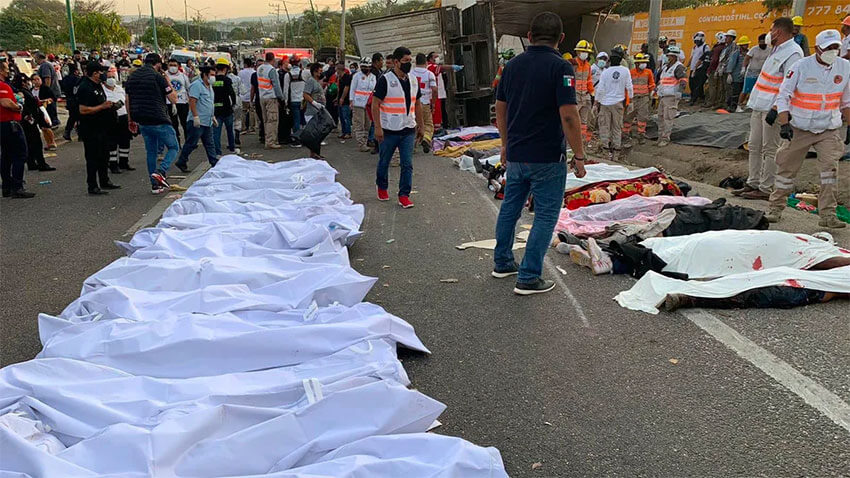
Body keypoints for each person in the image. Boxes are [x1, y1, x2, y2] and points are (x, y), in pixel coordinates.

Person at [492, 12, 587, 296]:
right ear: (560, 39)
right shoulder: (561, 68)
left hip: (518, 154)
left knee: (510, 208)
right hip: (547, 156)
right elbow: (569, 116)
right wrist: (579, 156)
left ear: (530, 37)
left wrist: (505, 144)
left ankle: (502, 262)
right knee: (545, 216)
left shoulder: (512, 66)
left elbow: (500, 108)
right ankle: (529, 276)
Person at [765, 29, 849, 229]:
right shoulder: (801, 66)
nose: (832, 51)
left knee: (830, 169)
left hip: (828, 128)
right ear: (817, 48)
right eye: (828, 48)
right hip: (800, 128)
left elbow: (846, 101)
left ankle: (828, 214)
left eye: (836, 47)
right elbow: (784, 95)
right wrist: (784, 123)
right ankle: (775, 208)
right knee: (787, 169)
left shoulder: (845, 68)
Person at [734, 17, 803, 200]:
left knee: (769, 148)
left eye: (771, 30)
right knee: (755, 145)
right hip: (759, 105)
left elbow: (790, 85)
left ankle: (765, 188)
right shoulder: (776, 50)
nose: (769, 33)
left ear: (778, 32)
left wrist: (776, 109)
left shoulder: (793, 54)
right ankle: (753, 182)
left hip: (772, 108)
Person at [372, 46, 424, 209]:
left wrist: (421, 126)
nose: (409, 64)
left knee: (407, 164)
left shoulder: (413, 80)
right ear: (396, 62)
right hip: (389, 130)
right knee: (384, 161)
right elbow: (375, 104)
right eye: (405, 61)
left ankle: (404, 195)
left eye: (410, 61)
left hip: (408, 129)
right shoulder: (385, 80)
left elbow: (418, 103)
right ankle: (382, 186)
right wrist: (378, 127)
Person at [125, 52, 180, 193]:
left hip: (142, 119)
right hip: (159, 118)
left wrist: (130, 119)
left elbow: (128, 99)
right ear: (158, 64)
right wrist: (167, 80)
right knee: (174, 147)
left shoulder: (133, 77)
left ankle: (155, 185)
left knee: (151, 152)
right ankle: (161, 172)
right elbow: (174, 98)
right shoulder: (158, 77)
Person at [76, 61, 120, 195]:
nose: (103, 74)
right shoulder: (85, 87)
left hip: (102, 127)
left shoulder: (98, 85)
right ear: (95, 73)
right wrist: (101, 107)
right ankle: (92, 185)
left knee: (104, 156)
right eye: (101, 72)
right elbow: (82, 109)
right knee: (93, 158)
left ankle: (104, 180)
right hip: (90, 129)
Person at [0, 60, 35, 198]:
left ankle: (8, 186)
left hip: (5, 124)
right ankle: (17, 186)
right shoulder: (2, 86)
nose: (9, 71)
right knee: (20, 154)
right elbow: (5, 102)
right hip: (9, 123)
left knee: (7, 155)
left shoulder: (6, 86)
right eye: (6, 69)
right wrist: (18, 106)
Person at [176, 65, 217, 170]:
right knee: (191, 143)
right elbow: (192, 102)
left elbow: (209, 103)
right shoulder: (197, 85)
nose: (213, 77)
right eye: (211, 75)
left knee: (210, 143)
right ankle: (182, 161)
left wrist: (212, 117)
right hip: (198, 121)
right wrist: (195, 117)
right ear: (205, 75)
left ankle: (214, 163)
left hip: (207, 121)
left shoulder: (209, 86)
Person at [595, 50, 633, 160]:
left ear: (610, 61)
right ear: (621, 60)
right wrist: (630, 101)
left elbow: (600, 89)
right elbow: (629, 87)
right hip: (618, 104)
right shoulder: (625, 71)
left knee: (604, 127)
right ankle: (616, 154)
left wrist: (595, 103)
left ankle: (606, 152)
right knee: (617, 127)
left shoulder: (605, 72)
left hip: (605, 103)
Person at [14, 73, 55, 172]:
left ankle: (32, 162)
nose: (29, 83)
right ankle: (41, 163)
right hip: (28, 121)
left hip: (31, 119)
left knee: (31, 143)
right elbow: (21, 102)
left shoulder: (27, 91)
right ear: (23, 82)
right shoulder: (21, 92)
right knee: (36, 142)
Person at [103, 66, 133, 173]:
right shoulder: (102, 90)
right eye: (109, 77)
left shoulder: (120, 89)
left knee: (125, 141)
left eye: (112, 77)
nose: (111, 79)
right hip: (111, 119)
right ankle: (113, 164)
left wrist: (130, 117)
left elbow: (126, 101)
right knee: (112, 142)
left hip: (123, 117)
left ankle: (124, 162)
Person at [656, 46, 688, 147]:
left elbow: (683, 80)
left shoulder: (678, 67)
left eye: (669, 56)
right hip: (663, 96)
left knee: (668, 118)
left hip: (671, 96)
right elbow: (661, 81)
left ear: (674, 56)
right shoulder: (665, 67)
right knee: (661, 117)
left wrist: (679, 92)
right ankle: (660, 137)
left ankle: (665, 138)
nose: (667, 57)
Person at [624, 53, 655, 146]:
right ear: (637, 63)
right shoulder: (630, 72)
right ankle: (625, 134)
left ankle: (641, 135)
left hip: (644, 98)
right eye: (641, 62)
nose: (643, 64)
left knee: (642, 117)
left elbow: (651, 84)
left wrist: (652, 92)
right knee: (628, 117)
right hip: (632, 98)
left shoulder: (648, 72)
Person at [256, 52, 284, 149]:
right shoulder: (272, 70)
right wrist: (281, 97)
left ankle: (267, 139)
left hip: (262, 96)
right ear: (273, 59)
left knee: (266, 120)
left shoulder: (259, 68)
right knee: (272, 120)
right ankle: (271, 142)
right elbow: (276, 85)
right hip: (271, 97)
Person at [411, 53, 438, 152]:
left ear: (415, 62)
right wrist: (433, 102)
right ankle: (426, 139)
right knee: (428, 123)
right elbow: (434, 89)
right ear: (426, 62)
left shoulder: (411, 73)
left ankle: (412, 145)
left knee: (413, 124)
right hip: (425, 101)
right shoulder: (429, 74)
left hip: (413, 103)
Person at [302, 63, 327, 160]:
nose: (321, 72)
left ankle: (316, 153)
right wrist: (314, 103)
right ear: (315, 71)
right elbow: (305, 94)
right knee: (314, 134)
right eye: (320, 70)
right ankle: (313, 153)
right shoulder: (311, 81)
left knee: (318, 134)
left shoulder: (317, 82)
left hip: (318, 111)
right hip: (312, 111)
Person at [350, 59, 376, 152]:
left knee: (367, 125)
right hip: (358, 103)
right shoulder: (357, 76)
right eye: (363, 67)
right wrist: (351, 100)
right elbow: (352, 89)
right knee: (359, 124)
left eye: (367, 67)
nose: (366, 69)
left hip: (369, 104)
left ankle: (365, 141)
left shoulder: (373, 77)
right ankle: (361, 144)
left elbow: (374, 90)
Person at [212, 59, 237, 157]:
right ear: (225, 69)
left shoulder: (212, 80)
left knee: (216, 133)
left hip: (216, 110)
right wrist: (233, 104)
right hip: (226, 109)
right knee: (230, 130)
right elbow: (232, 94)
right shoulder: (227, 80)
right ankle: (232, 148)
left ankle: (218, 152)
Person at [738, 34, 769, 110]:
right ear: (758, 42)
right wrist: (743, 68)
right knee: (746, 89)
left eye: (764, 42)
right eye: (761, 42)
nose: (762, 44)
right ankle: (739, 105)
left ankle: (751, 104)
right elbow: (746, 58)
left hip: (762, 73)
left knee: (758, 90)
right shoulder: (754, 49)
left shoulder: (770, 50)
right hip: (751, 72)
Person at [573, 40, 595, 145]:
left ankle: (581, 141)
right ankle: (571, 140)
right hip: (575, 96)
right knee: (573, 119)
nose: (585, 54)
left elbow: (589, 80)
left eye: (586, 52)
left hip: (585, 96)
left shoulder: (588, 66)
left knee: (584, 121)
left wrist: (592, 93)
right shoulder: (572, 64)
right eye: (582, 51)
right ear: (577, 52)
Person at [166, 59, 190, 143]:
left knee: (185, 123)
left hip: (182, 103)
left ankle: (188, 141)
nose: (173, 67)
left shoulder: (183, 76)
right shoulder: (164, 75)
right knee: (173, 124)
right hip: (169, 103)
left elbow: (188, 89)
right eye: (170, 65)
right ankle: (176, 142)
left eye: (174, 65)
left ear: (178, 66)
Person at [30, 75, 57, 151]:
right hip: (36, 110)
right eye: (34, 80)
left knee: (47, 126)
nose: (36, 81)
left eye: (38, 79)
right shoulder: (31, 90)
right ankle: (48, 143)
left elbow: (53, 98)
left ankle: (52, 142)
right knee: (42, 128)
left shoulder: (45, 89)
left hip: (45, 109)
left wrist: (45, 101)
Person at [283, 56, 307, 136]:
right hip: (303, 100)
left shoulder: (287, 75)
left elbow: (285, 90)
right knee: (303, 120)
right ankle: (305, 137)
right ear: (299, 63)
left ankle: (297, 137)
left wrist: (285, 102)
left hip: (293, 100)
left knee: (296, 120)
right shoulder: (303, 73)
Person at [35, 53, 60, 127]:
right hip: (52, 89)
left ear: (39, 58)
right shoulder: (47, 64)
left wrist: (46, 91)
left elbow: (47, 78)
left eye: (35, 58)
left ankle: (53, 122)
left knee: (50, 108)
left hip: (51, 90)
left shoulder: (45, 65)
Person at [725, 35, 749, 111]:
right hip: (735, 76)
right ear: (741, 45)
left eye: (747, 44)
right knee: (735, 92)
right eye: (744, 44)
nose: (746, 46)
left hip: (744, 76)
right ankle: (732, 106)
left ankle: (739, 105)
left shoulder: (748, 53)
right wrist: (729, 73)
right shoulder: (736, 53)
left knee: (743, 91)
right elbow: (731, 63)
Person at [61, 64, 81, 141]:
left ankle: (67, 132)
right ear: (75, 71)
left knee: (72, 117)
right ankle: (80, 134)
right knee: (79, 117)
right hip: (77, 100)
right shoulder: (77, 79)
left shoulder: (65, 79)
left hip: (69, 99)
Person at [689, 31, 710, 106]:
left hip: (700, 69)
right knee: (691, 83)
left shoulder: (705, 47)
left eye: (698, 41)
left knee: (698, 84)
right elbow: (692, 57)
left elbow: (705, 58)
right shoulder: (694, 47)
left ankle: (694, 99)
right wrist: (688, 66)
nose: (697, 42)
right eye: (696, 41)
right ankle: (699, 97)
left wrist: (697, 67)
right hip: (693, 68)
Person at [706, 32, 726, 109]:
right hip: (722, 69)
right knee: (720, 87)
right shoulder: (725, 48)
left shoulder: (717, 48)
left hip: (714, 69)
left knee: (712, 86)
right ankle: (718, 102)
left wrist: (709, 69)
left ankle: (711, 102)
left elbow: (714, 60)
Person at [238, 57, 257, 133]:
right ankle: (252, 127)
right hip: (252, 95)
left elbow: (239, 83)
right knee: (252, 111)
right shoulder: (254, 72)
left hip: (243, 95)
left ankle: (243, 127)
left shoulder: (241, 72)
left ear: (245, 64)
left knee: (243, 112)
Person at [335, 63, 353, 140]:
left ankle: (348, 132)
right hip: (340, 100)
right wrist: (337, 98)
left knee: (346, 117)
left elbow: (346, 88)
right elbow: (339, 89)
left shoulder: (347, 77)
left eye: (337, 70)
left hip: (345, 101)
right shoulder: (339, 78)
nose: (336, 71)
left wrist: (342, 98)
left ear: (340, 69)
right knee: (341, 117)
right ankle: (343, 132)